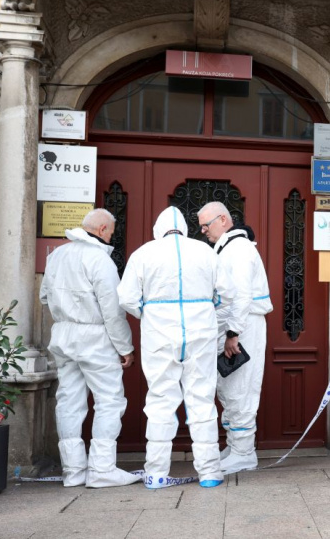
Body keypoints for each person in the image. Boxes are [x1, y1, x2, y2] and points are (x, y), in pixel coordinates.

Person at [117, 206, 235, 489]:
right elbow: (227, 294)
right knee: (202, 400)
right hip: (200, 333)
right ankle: (209, 473)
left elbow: (126, 298)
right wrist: (208, 310)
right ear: (184, 227)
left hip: (159, 334)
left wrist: (147, 312)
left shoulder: (144, 253)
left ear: (158, 229)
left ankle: (156, 474)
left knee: (159, 401)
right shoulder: (205, 252)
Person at [39, 208, 140, 488]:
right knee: (109, 400)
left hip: (63, 334)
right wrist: (125, 347)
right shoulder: (100, 260)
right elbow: (112, 311)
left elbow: (44, 296)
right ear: (102, 229)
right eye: (111, 232)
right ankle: (102, 469)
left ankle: (73, 471)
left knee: (69, 401)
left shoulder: (57, 254)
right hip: (94, 337)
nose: (112, 237)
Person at [197, 202, 274, 473]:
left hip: (243, 326)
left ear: (223, 220)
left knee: (241, 388)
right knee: (229, 389)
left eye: (207, 224)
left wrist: (233, 333)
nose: (203, 230)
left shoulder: (239, 250)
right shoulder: (228, 249)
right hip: (236, 326)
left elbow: (242, 296)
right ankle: (235, 446)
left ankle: (244, 452)